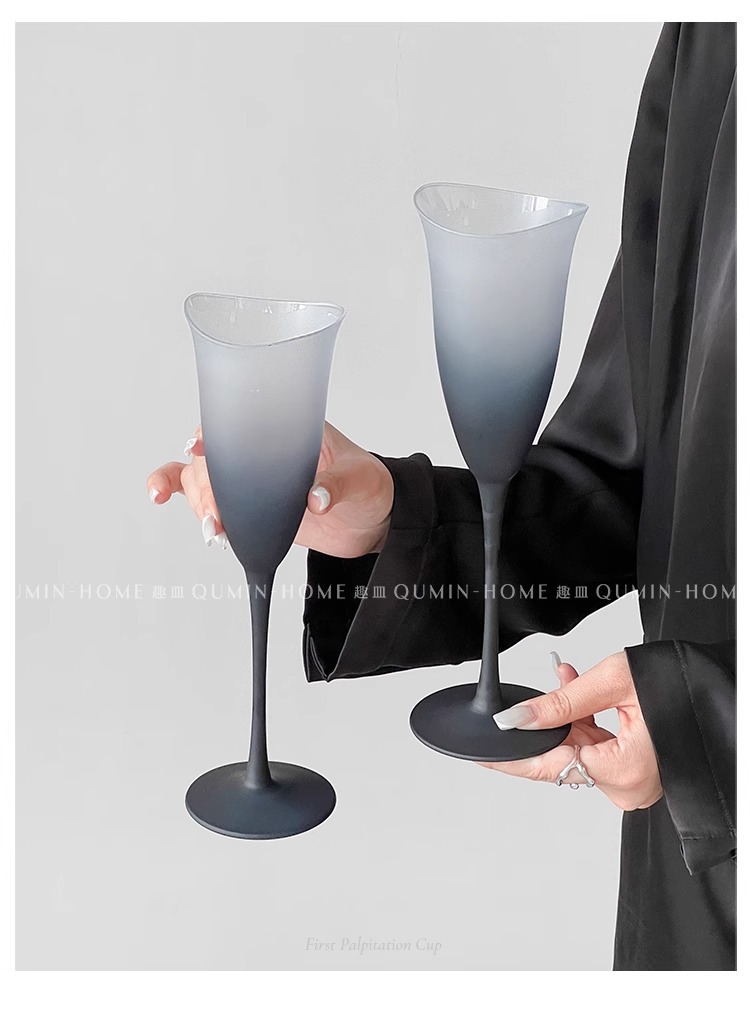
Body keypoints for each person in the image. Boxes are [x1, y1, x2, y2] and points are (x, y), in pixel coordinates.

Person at [147, 22, 736, 971]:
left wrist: (718, 718)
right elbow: (621, 477)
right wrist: (387, 516)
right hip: (695, 898)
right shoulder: (714, 43)